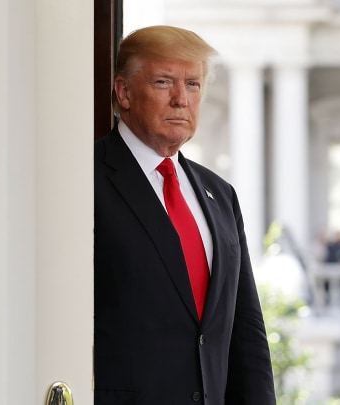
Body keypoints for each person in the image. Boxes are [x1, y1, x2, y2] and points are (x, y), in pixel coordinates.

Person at [94, 25, 276, 404]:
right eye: (163, 82)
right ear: (124, 92)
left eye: (192, 84)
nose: (181, 99)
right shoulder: (84, 179)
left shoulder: (220, 195)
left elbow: (246, 333)